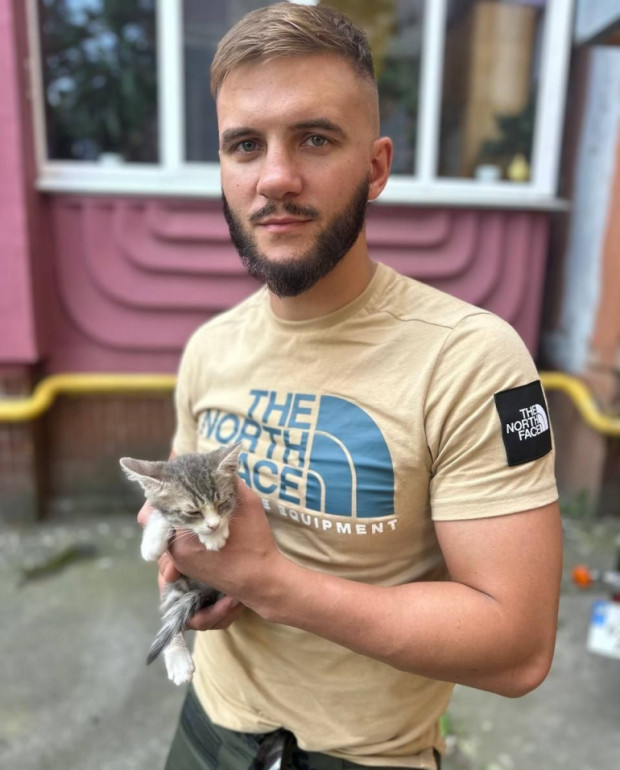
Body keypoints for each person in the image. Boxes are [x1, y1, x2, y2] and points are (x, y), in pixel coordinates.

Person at [138, 4, 563, 770]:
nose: (275, 177)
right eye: (245, 145)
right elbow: (180, 509)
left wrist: (269, 582)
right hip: (204, 732)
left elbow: (519, 649)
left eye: (315, 138)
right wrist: (182, 557)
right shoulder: (208, 348)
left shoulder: (473, 361)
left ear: (376, 166)